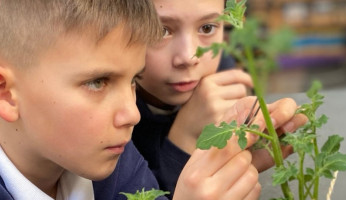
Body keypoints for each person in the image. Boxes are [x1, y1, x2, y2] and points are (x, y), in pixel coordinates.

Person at [0, 0, 264, 199]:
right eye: (97, 82)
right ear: (6, 93)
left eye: (133, 81)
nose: (132, 114)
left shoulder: (110, 158)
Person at [132, 0, 308, 198]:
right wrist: (186, 139)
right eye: (161, 30)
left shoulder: (222, 68)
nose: (189, 57)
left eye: (207, 28)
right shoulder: (113, 112)